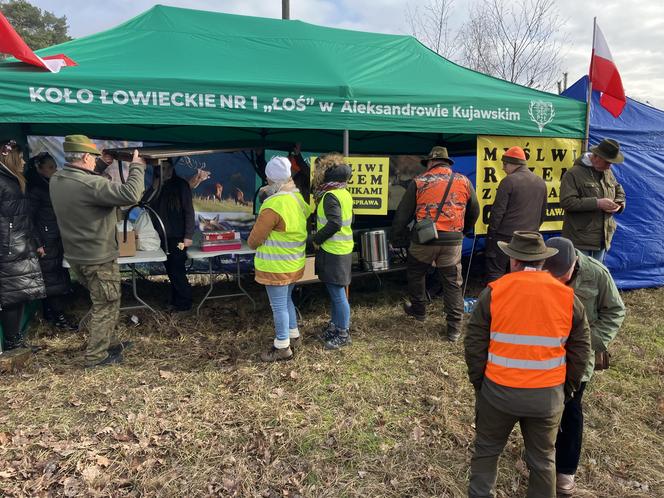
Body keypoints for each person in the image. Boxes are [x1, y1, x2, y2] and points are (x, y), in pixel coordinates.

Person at [464, 231, 591, 498]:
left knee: (486, 452)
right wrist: (566, 389)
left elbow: (474, 344)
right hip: (547, 397)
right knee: (543, 460)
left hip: (497, 393)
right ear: (543, 261)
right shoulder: (568, 298)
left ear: (513, 260)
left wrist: (481, 384)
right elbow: (580, 352)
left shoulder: (493, 292)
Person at [50, 135, 146, 367]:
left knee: (104, 301)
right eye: (92, 158)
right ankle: (96, 356)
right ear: (84, 156)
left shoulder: (57, 179)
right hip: (98, 257)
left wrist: (101, 164)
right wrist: (137, 167)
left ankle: (106, 343)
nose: (94, 162)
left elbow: (84, 185)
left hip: (77, 256)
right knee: (106, 304)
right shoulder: (91, 185)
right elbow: (131, 195)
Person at [543, 237, 625, 496]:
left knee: (570, 407)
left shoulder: (597, 274)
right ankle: (541, 455)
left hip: (579, 356)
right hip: (545, 350)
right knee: (543, 405)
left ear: (575, 263)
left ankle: (565, 470)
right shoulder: (539, 267)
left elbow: (615, 311)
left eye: (563, 275)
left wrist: (589, 341)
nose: (558, 281)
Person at [391, 146, 479, 341]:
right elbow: (475, 210)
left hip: (425, 239)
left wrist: (396, 237)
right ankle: (454, 328)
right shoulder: (464, 181)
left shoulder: (419, 181)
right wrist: (463, 231)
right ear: (447, 163)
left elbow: (402, 215)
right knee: (452, 282)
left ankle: (419, 310)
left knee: (416, 272)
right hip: (453, 239)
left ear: (430, 163)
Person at [248, 156, 311, 362]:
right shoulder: (299, 199)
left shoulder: (273, 205)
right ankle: (294, 335)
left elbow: (254, 240)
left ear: (270, 179)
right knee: (286, 300)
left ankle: (282, 347)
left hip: (276, 266)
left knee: (278, 306)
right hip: (295, 263)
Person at [0, 140, 46, 352]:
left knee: (19, 294)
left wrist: (34, 241)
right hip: (8, 247)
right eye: (20, 157)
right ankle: (11, 342)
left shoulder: (16, 180)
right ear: (9, 158)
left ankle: (15, 339)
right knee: (12, 296)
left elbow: (25, 216)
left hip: (20, 244)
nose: (24, 161)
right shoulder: (3, 181)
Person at [25, 152, 77, 331]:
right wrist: (38, 242)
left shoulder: (49, 185)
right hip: (45, 240)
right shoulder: (36, 189)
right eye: (50, 167)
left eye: (55, 166)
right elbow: (28, 218)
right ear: (39, 169)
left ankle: (50, 313)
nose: (54, 170)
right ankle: (59, 318)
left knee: (55, 276)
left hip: (54, 236)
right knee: (52, 278)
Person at [485, 146, 547, 282]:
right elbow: (543, 213)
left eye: (505, 164)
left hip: (505, 236)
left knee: (496, 272)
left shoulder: (508, 181)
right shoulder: (540, 182)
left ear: (514, 164)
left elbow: (497, 212)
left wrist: (491, 235)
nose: (503, 168)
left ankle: (496, 301)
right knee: (523, 275)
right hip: (529, 237)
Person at [312, 153, 353, 350]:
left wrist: (316, 239)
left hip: (333, 251)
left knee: (338, 295)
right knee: (337, 293)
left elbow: (335, 223)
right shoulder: (344, 192)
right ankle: (335, 327)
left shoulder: (329, 196)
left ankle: (343, 333)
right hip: (342, 249)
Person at [560, 138, 626, 262]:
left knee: (596, 277)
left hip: (602, 239)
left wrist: (618, 204)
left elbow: (619, 190)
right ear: (595, 157)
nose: (609, 166)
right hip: (580, 240)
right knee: (579, 277)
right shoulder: (573, 174)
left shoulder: (607, 172)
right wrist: (598, 203)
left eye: (611, 163)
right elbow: (567, 202)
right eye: (607, 162)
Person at [148, 158, 195, 312]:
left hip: (178, 236)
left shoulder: (181, 185)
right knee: (170, 269)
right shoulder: (157, 186)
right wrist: (154, 187)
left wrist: (188, 235)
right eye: (160, 168)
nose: (164, 171)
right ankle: (176, 301)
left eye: (166, 167)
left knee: (177, 270)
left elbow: (189, 211)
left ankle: (184, 304)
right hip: (161, 236)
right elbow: (144, 203)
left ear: (171, 168)